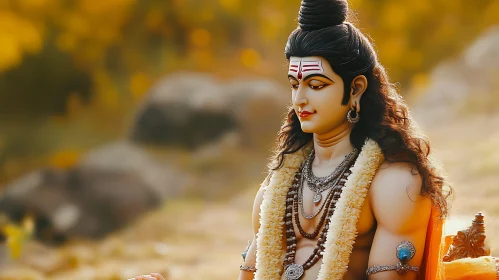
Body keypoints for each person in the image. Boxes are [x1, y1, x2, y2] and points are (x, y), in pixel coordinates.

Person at [130, 1, 499, 279]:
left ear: (355, 89)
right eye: (294, 84)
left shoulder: (394, 185)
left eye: (316, 85)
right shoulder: (277, 188)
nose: (299, 100)